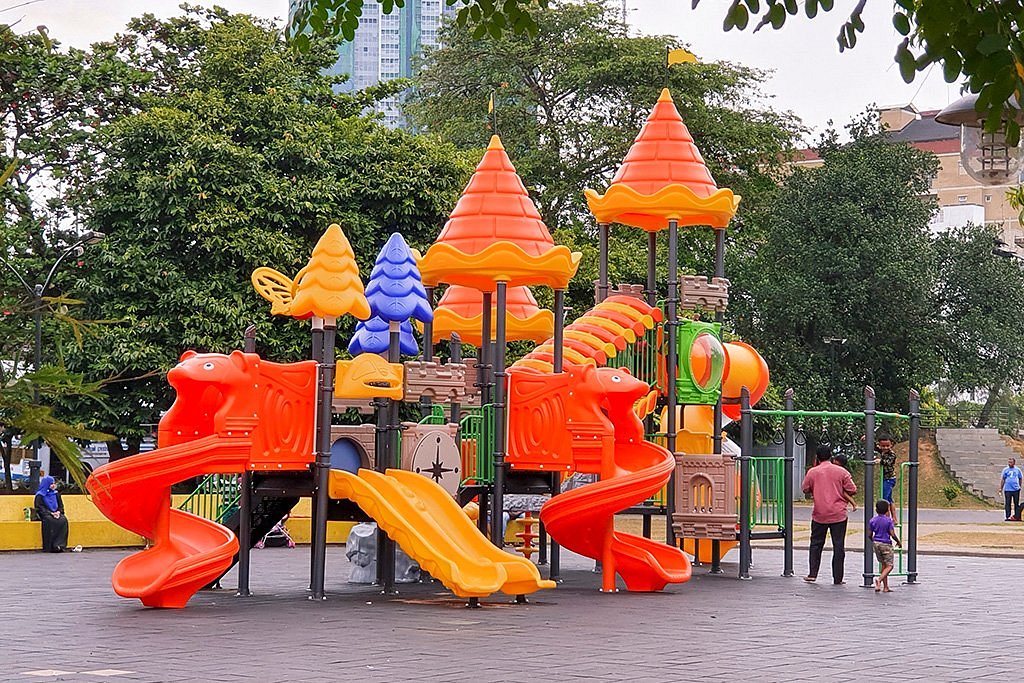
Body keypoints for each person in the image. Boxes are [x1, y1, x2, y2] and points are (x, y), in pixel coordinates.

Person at [802, 444, 857, 584]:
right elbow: (852, 489)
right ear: (831, 456)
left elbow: (805, 489)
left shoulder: (812, 472)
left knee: (816, 544)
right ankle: (838, 578)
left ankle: (812, 574)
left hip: (819, 514)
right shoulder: (841, 471)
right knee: (838, 545)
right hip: (838, 514)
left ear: (817, 457)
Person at [869, 499, 902, 593]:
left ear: (876, 509)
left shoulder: (873, 520)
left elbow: (869, 534)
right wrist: (898, 541)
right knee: (890, 566)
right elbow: (892, 533)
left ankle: (885, 587)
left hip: (876, 543)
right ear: (887, 510)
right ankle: (879, 580)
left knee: (883, 564)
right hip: (886, 544)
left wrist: (873, 540)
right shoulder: (888, 521)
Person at [34, 475, 68, 553]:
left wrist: (59, 512)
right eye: (51, 484)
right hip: (46, 515)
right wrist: (50, 513)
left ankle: (60, 545)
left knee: (63, 520)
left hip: (56, 513)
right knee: (50, 521)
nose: (53, 485)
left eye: (53, 483)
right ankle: (50, 546)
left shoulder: (56, 494)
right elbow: (39, 508)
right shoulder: (40, 495)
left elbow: (60, 505)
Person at [875, 436, 898, 508]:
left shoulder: (892, 454)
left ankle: (886, 517)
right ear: (880, 445)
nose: (885, 448)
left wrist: (880, 461)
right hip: (886, 478)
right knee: (889, 499)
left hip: (889, 479)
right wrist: (867, 439)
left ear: (891, 444)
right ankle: (894, 518)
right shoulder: (882, 451)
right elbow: (874, 447)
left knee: (884, 500)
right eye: (883, 446)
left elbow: (888, 462)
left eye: (887, 446)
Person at [1000, 457, 1023, 521]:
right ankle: (1008, 516)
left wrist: (1019, 486)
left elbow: (1020, 478)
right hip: (1008, 489)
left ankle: (1016, 516)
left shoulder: (1017, 470)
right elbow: (1003, 479)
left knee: (1016, 503)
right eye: (1009, 462)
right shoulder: (1005, 470)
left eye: (1011, 462)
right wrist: (1001, 488)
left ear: (1014, 463)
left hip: (1016, 489)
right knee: (1008, 503)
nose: (1009, 463)